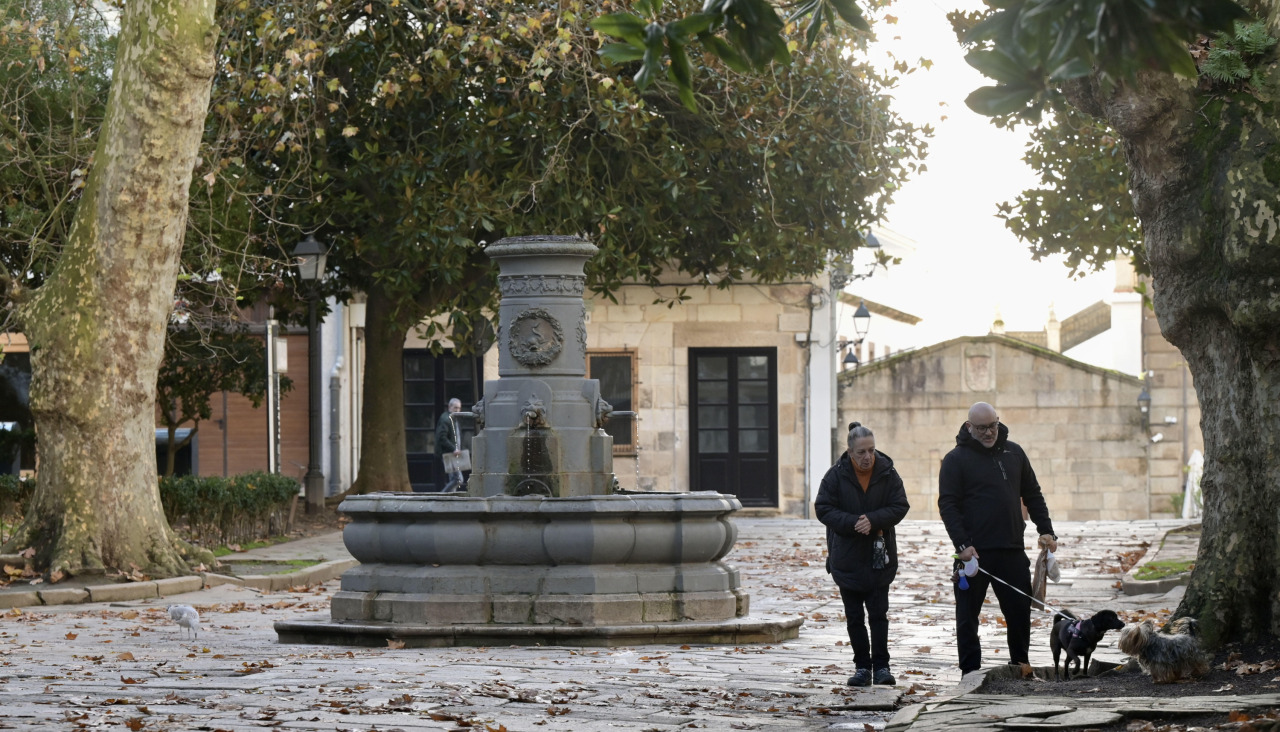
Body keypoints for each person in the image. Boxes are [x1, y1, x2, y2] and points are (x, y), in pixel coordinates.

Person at [938, 401, 1057, 676]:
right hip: (973, 555)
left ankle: (1020, 665)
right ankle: (970, 673)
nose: (989, 432)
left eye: (992, 425)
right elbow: (948, 505)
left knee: (1019, 614)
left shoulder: (1014, 453)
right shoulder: (955, 460)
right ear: (969, 427)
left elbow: (1033, 493)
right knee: (967, 617)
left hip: (1011, 549)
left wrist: (1046, 530)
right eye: (981, 428)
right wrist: (962, 545)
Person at [816, 422, 911, 687]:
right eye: (861, 452)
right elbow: (823, 508)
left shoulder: (888, 473)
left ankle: (882, 666)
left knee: (879, 614)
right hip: (846, 557)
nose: (868, 457)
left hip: (879, 556)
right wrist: (852, 522)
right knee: (855, 617)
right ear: (849, 452)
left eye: (871, 450)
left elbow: (900, 506)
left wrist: (873, 519)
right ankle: (862, 667)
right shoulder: (835, 475)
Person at [435, 398, 464, 492]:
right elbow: (442, 437)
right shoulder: (446, 419)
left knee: (454, 479)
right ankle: (441, 497)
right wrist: (453, 449)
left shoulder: (454, 419)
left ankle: (450, 502)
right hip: (449, 454)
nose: (457, 410)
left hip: (453, 453)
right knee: (457, 479)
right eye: (455, 408)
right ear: (449, 407)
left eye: (459, 408)